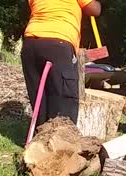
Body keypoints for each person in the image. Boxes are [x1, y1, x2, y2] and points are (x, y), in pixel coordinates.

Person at [21, 0, 102, 128]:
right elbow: (95, 9)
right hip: (58, 42)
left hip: (31, 44)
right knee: (64, 99)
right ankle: (61, 141)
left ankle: (42, 137)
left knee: (40, 97)